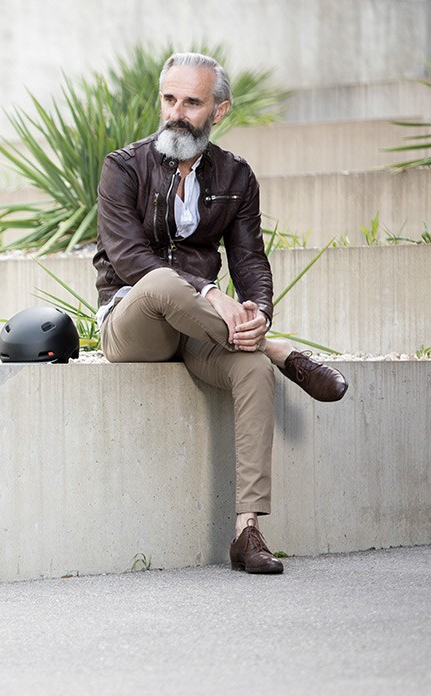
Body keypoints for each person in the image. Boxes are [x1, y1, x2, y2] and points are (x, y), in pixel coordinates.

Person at [93, 52, 348, 575]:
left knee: (251, 369)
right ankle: (283, 354)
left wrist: (259, 317)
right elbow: (129, 259)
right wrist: (212, 292)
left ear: (220, 110)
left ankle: (247, 531)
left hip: (195, 331)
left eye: (192, 102)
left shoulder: (235, 175)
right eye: (169, 99)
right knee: (162, 280)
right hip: (132, 320)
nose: (176, 113)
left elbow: (250, 259)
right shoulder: (123, 167)